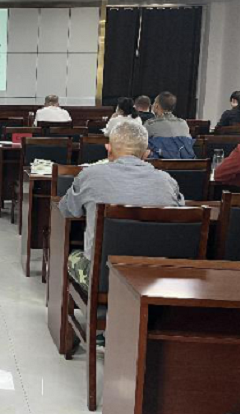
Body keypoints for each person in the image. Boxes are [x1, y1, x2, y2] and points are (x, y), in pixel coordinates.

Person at [59, 123, 185, 291]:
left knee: (73, 257)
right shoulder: (168, 181)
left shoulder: (89, 176)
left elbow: (67, 210)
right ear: (146, 154)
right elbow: (180, 215)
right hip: (155, 278)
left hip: (103, 277)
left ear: (108, 149)